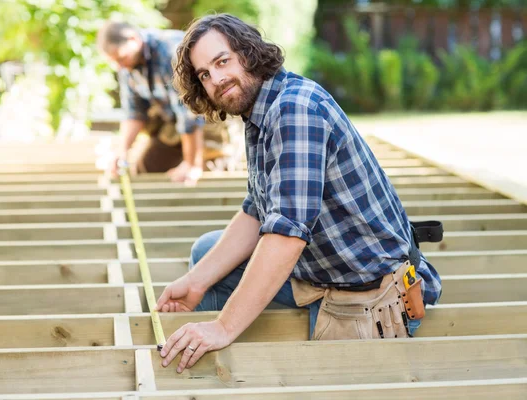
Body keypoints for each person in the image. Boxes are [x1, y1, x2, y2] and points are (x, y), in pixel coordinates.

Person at [154, 14, 443, 373]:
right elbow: (256, 211)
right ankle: (224, 354)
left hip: (370, 294)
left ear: (248, 52)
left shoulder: (294, 110)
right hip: (323, 271)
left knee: (226, 306)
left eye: (222, 61)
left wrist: (223, 326)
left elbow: (285, 235)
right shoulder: (259, 111)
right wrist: (194, 282)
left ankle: (236, 366)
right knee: (204, 256)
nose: (216, 79)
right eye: (204, 75)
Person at [97, 20, 212, 184]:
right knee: (145, 168)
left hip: (210, 118)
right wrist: (121, 150)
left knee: (201, 174)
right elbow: (135, 113)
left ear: (133, 40)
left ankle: (210, 158)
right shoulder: (127, 66)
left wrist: (191, 164)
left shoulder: (170, 51)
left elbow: (189, 115)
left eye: (121, 58)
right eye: (114, 62)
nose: (119, 66)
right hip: (174, 125)